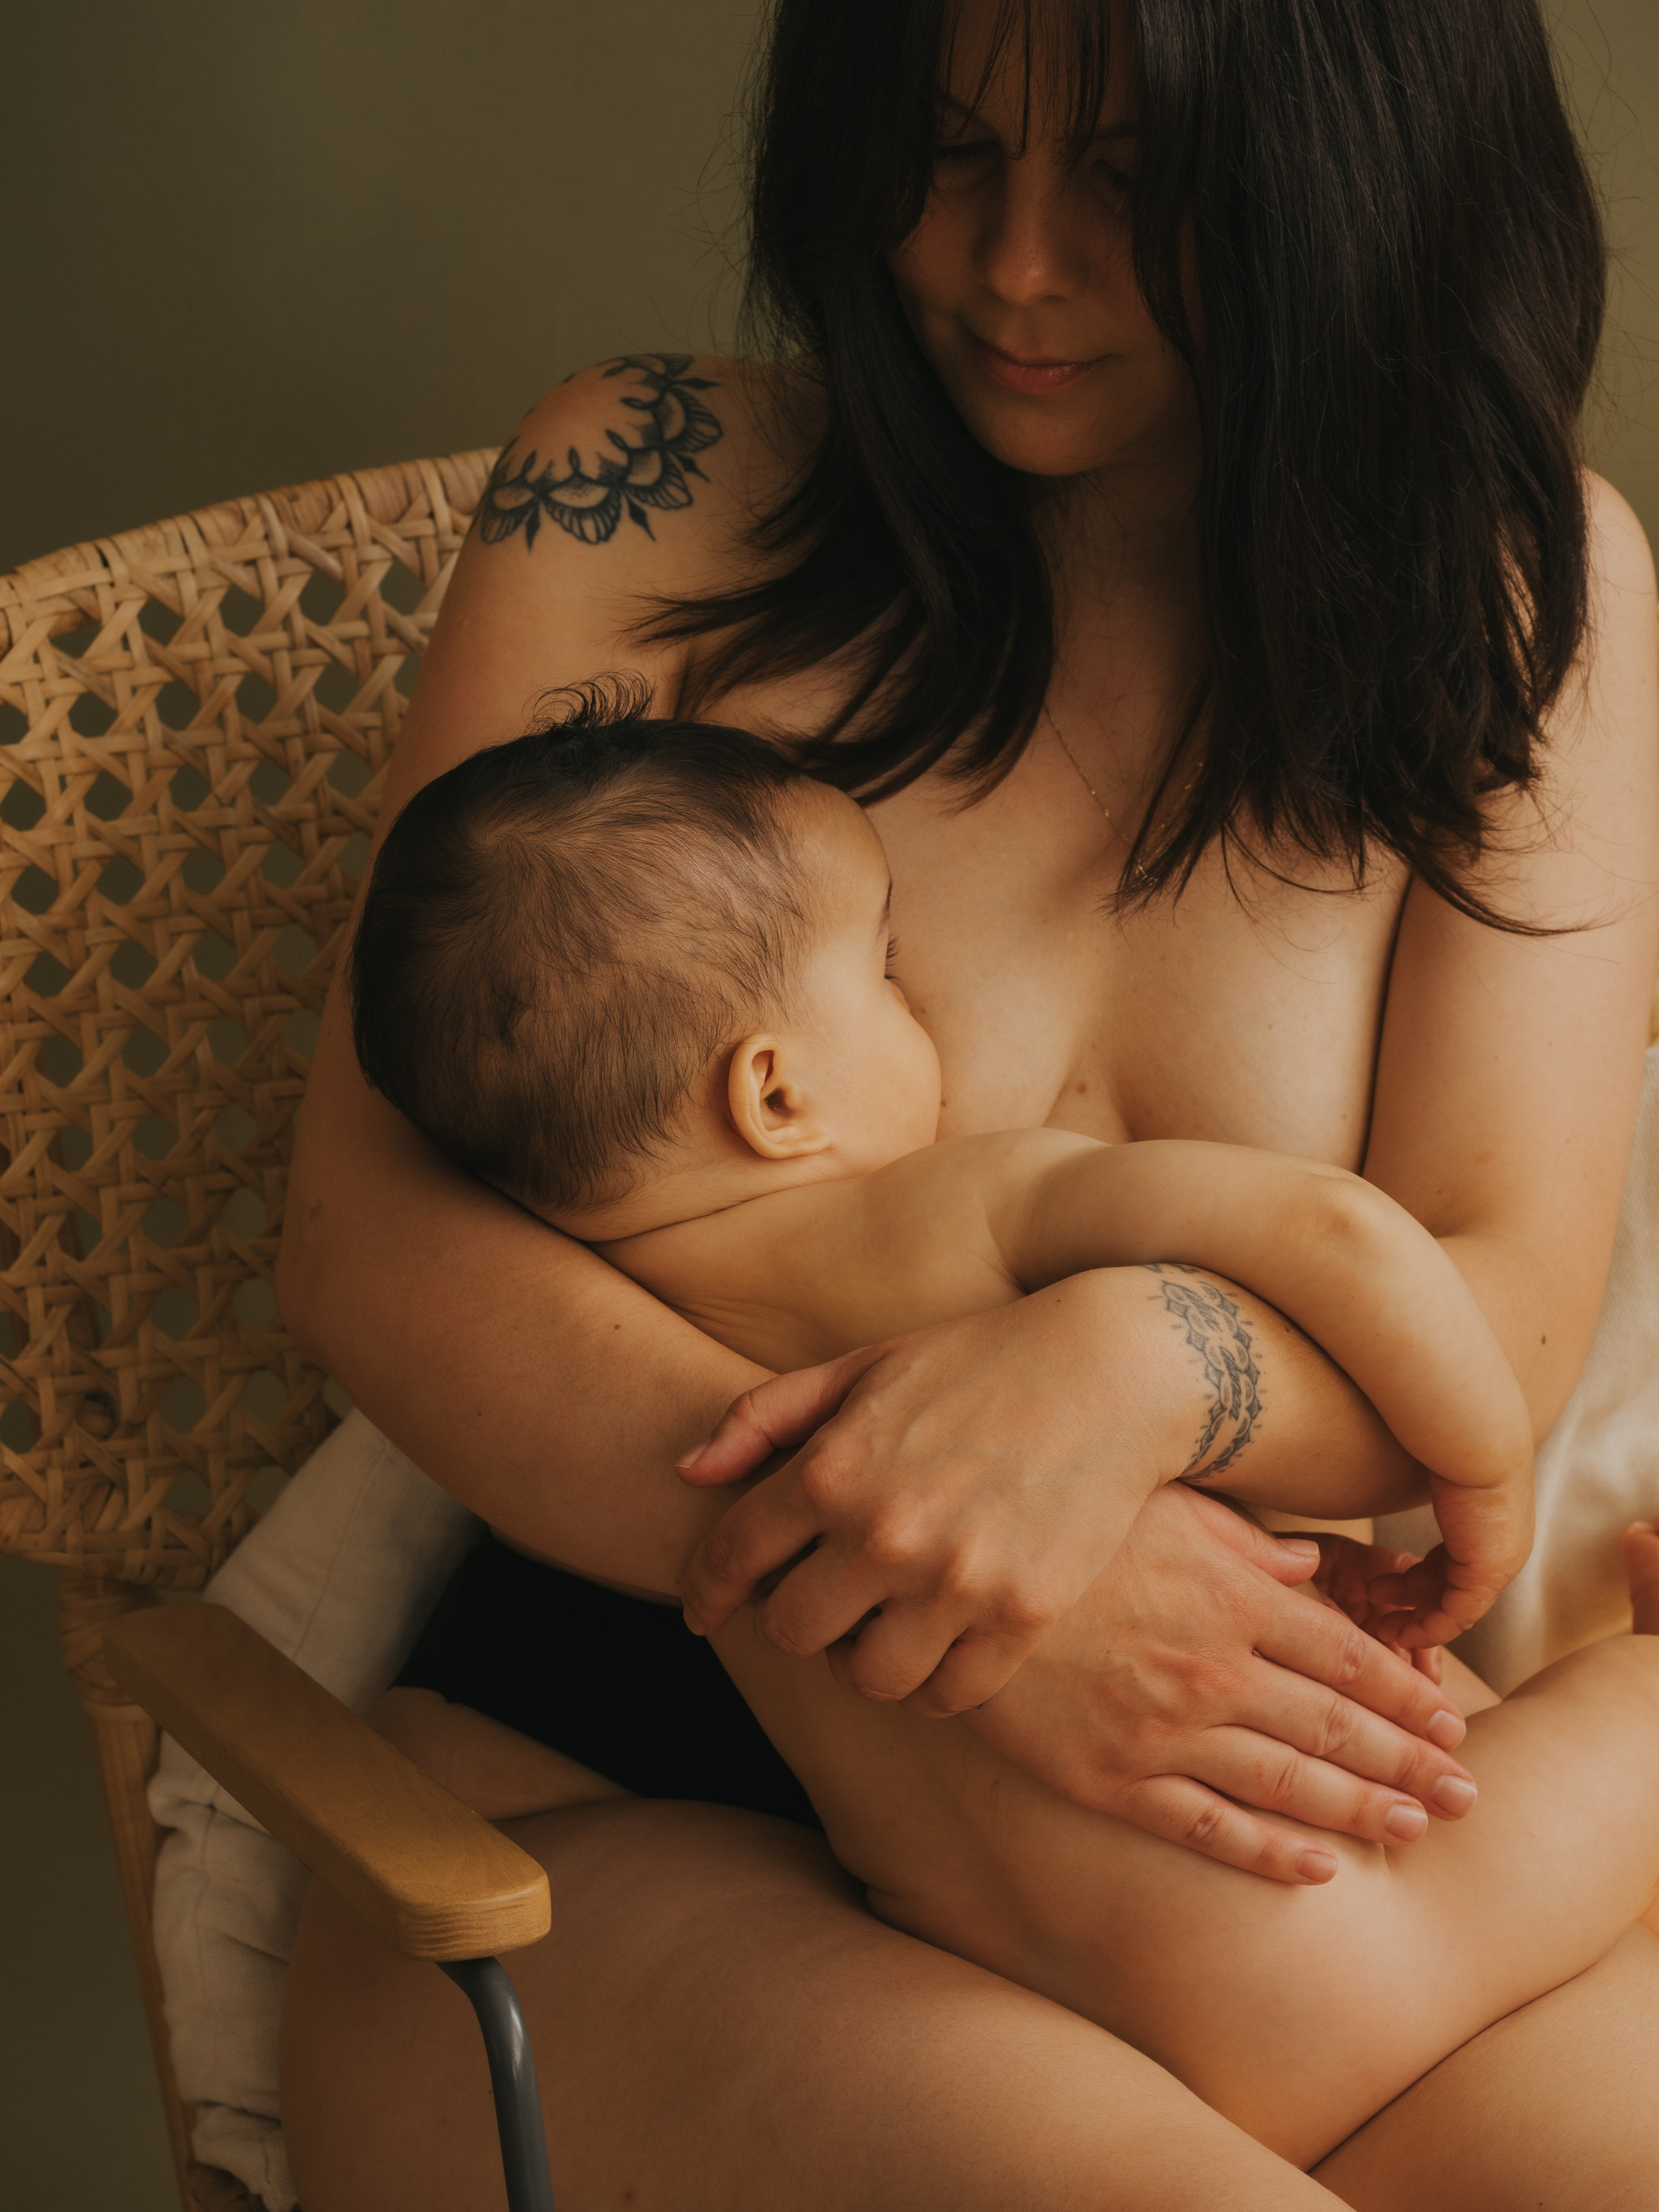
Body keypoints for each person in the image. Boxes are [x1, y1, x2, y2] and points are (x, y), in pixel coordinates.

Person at [276, 0, 1659, 2204]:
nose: (1010, 266)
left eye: (1127, 177)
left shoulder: (1518, 596)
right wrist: (949, 1585)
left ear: (1350, 170)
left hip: (1234, 1842)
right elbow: (370, 1239)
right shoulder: (648, 485)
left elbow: (1500, 1309)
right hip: (614, 1803)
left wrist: (1134, 1368)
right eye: (940, 152)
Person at [334, 691, 1659, 2174]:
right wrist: (1478, 1478)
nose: (924, 1015)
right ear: (773, 1091)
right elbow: (1335, 1236)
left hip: (1073, 2001)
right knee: (1626, 1717)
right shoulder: (946, 1214)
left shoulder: (643, 1371)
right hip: (1337, 1939)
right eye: (887, 973)